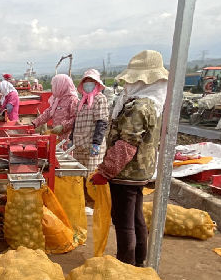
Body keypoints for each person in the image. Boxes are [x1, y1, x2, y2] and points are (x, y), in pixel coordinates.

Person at [91, 50, 168, 266]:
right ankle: (139, 261)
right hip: (140, 171)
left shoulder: (139, 107)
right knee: (136, 219)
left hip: (126, 173)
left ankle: (126, 265)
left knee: (124, 222)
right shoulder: (154, 104)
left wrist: (105, 172)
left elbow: (126, 145)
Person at [71, 68, 111, 172]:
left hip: (91, 146)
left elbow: (101, 121)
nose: (88, 85)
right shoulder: (82, 101)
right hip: (79, 146)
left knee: (90, 175)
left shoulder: (100, 99)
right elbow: (77, 122)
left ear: (96, 84)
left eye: (91, 82)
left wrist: (96, 143)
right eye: (86, 82)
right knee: (79, 175)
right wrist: (71, 139)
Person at [33, 74, 79, 143]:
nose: (53, 88)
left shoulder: (73, 100)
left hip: (67, 138)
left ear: (61, 86)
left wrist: (63, 126)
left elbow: (75, 119)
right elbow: (48, 113)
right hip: (56, 136)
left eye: (55, 85)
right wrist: (35, 123)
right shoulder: (57, 99)